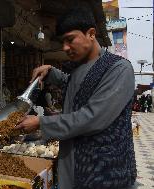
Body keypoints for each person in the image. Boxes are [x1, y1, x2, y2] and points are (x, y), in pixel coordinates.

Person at [15, 6, 136, 189]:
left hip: (104, 171)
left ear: (91, 33)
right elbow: (76, 86)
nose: (65, 48)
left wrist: (41, 122)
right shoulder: (79, 67)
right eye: (62, 42)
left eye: (70, 39)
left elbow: (92, 118)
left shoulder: (118, 69)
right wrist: (52, 73)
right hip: (74, 165)